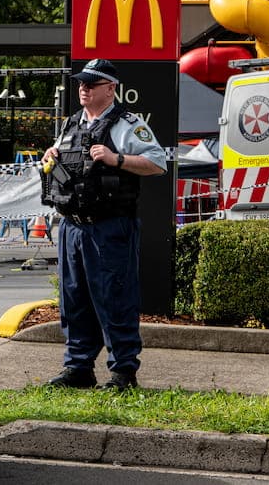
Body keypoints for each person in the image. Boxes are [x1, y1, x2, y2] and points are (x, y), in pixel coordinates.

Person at [40, 58, 167, 391]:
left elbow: (157, 163)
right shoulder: (70, 124)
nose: (83, 88)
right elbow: (61, 161)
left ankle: (123, 371)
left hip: (109, 227)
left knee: (115, 297)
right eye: (81, 83)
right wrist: (49, 158)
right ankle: (78, 367)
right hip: (72, 226)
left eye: (91, 84)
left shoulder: (126, 124)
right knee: (74, 299)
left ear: (110, 89)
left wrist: (117, 159)